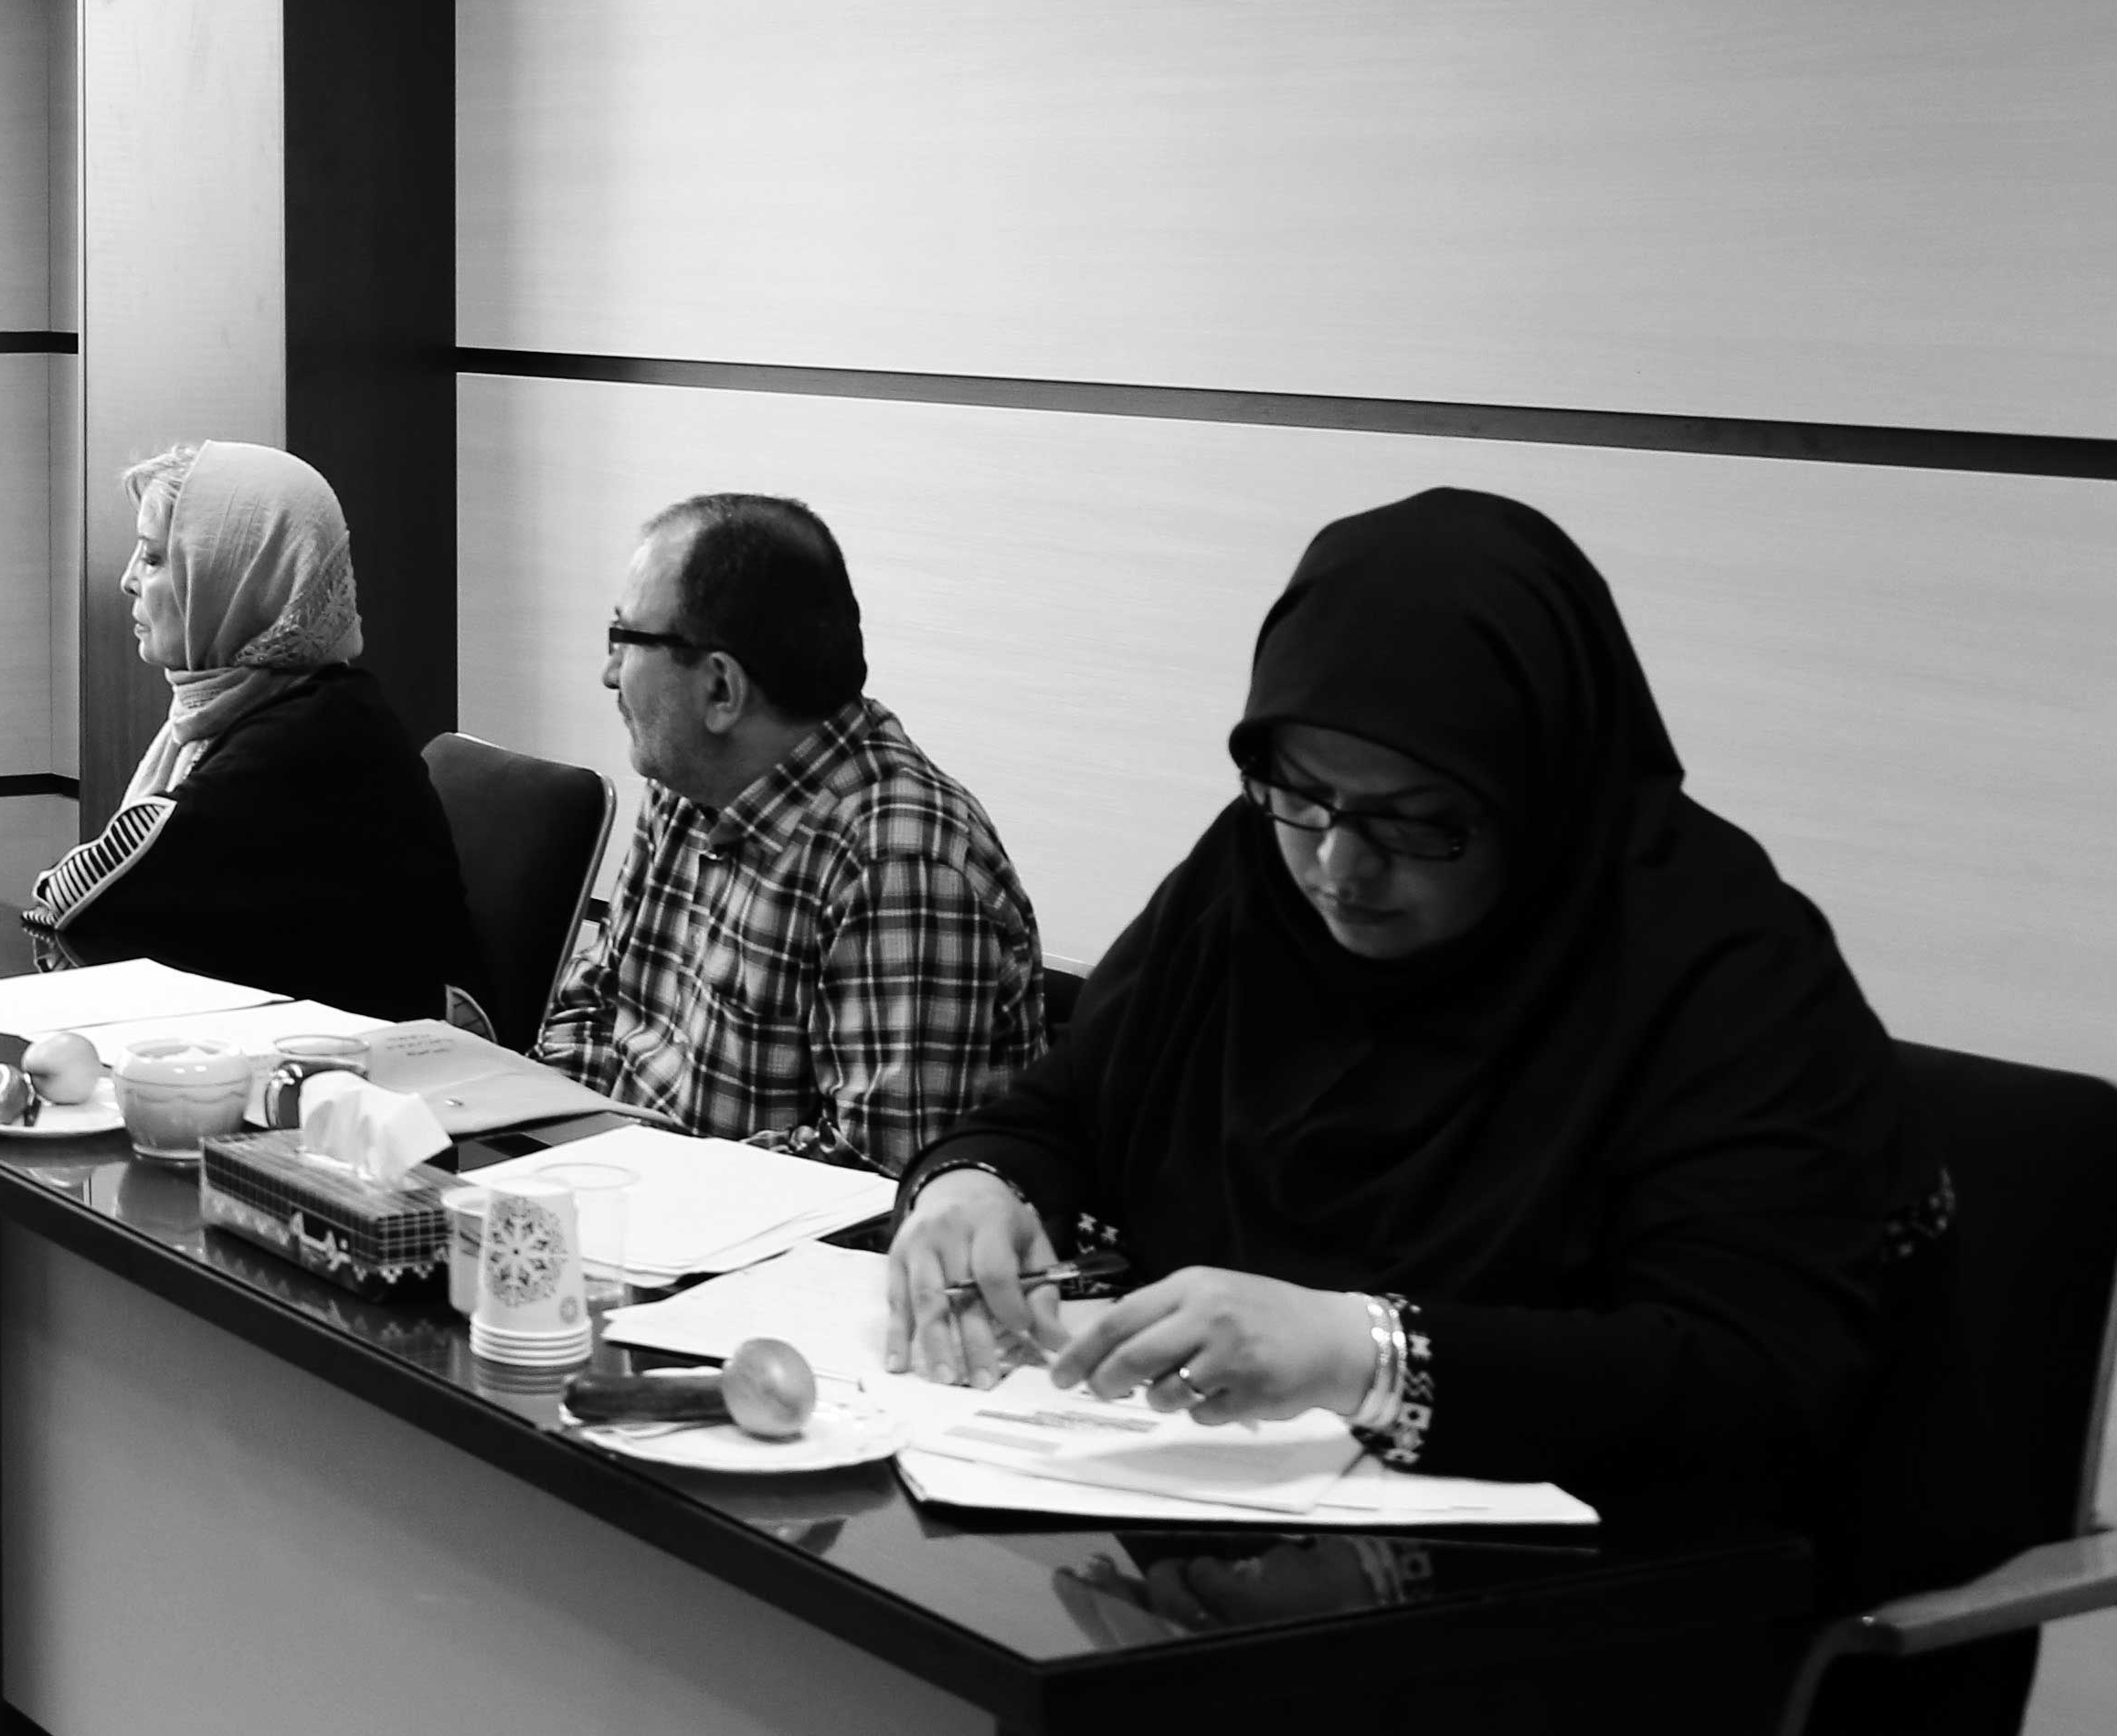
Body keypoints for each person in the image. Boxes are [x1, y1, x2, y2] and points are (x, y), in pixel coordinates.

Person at [885, 489, 1920, 1519]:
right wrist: (975, 1186)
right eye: (1302, 793)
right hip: (1220, 1511)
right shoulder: (1254, 878)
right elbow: (1063, 1109)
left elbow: (1749, 1382)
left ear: (1538, 799)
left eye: (1417, 822)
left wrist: (1363, 1354)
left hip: (1607, 1557)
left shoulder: (1720, 967)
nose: (1339, 867)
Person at [532, 493, 1043, 1171]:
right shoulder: (686, 784)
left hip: (736, 1224)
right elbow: (588, 1008)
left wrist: (644, 1179)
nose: (609, 674)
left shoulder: (901, 862)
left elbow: (875, 1176)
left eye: (624, 640)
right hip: (624, 1191)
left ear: (721, 690)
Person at [26, 441, 490, 1024]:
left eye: (154, 558)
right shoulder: (262, 701)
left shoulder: (313, 735)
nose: (127, 580)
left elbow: (78, 900)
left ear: (235, 576)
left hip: (402, 1058)